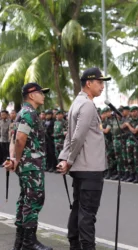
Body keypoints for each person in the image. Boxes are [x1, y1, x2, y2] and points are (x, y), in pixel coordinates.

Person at [57, 67, 110, 250]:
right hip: (90, 169)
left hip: (82, 169)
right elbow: (77, 136)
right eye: (100, 82)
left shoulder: (76, 102)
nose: (102, 87)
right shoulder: (87, 104)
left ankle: (74, 245)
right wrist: (69, 160)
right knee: (88, 214)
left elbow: (69, 135)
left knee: (78, 209)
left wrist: (65, 158)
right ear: (89, 83)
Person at [3, 82, 52, 250]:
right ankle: (29, 242)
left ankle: (21, 241)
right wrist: (16, 159)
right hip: (31, 165)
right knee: (34, 200)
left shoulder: (21, 113)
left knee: (25, 199)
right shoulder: (29, 113)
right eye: (41, 92)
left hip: (27, 165)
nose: (43, 95)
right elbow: (19, 139)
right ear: (31, 95)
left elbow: (13, 138)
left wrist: (13, 158)